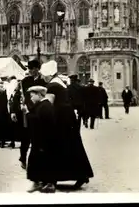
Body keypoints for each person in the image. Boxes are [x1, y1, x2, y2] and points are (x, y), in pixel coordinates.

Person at [42, 60, 94, 191]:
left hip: (59, 120)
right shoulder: (61, 84)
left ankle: (52, 179)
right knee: (72, 146)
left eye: (43, 75)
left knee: (56, 148)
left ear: (48, 75)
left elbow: (48, 105)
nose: (42, 77)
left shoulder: (52, 86)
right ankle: (81, 174)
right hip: (68, 119)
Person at [15, 59, 46, 169]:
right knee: (25, 137)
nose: (31, 71)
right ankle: (23, 158)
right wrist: (17, 109)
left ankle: (36, 163)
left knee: (37, 138)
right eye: (30, 69)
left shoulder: (43, 81)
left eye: (33, 69)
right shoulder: (24, 81)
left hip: (39, 112)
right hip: (27, 112)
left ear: (38, 69)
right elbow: (19, 96)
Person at [26, 85, 57, 193]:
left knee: (44, 161)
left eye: (32, 95)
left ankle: (47, 183)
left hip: (43, 140)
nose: (31, 98)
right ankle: (39, 182)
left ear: (39, 95)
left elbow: (44, 124)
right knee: (38, 161)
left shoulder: (45, 106)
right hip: (39, 139)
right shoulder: (42, 105)